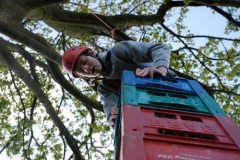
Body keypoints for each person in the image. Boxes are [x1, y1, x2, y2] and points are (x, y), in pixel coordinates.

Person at [62, 40, 176, 128]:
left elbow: (159, 48)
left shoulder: (118, 52)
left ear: (91, 53)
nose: (86, 69)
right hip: (156, 114)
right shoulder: (105, 88)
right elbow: (111, 114)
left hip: (173, 90)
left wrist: (160, 70)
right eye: (82, 71)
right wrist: (114, 119)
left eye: (85, 62)